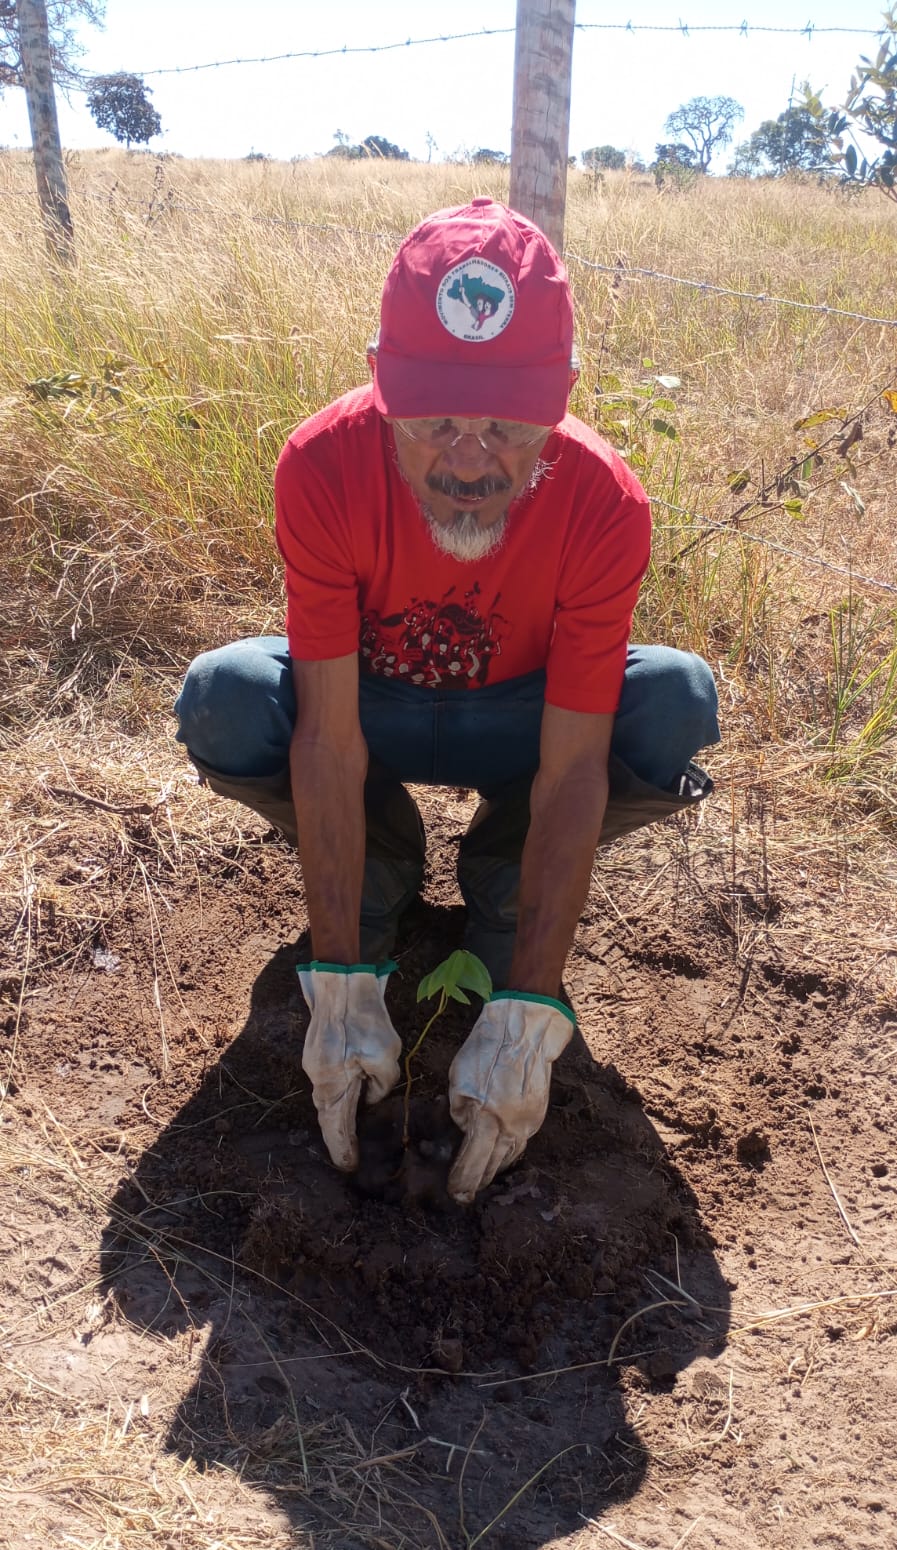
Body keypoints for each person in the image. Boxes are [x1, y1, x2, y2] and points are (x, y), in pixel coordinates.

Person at [175, 197, 720, 1204]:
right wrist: (338, 991)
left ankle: (503, 901)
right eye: (436, 426)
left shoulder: (604, 501)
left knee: (676, 702)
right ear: (385, 397)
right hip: (370, 707)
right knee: (229, 699)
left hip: (524, 717)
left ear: (555, 411)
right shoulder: (322, 465)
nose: (470, 462)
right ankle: (375, 878)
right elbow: (329, 741)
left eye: (507, 430)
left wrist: (526, 1008)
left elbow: (573, 767)